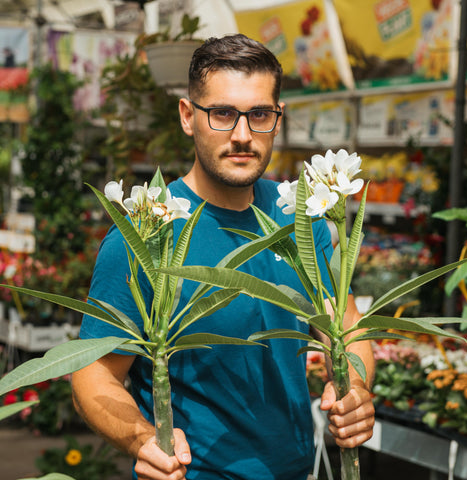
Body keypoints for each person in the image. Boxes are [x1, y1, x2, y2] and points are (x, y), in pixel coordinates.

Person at [72, 33, 375, 480]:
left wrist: (356, 389)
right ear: (188, 116)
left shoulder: (300, 216)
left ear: (278, 117)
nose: (242, 135)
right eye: (222, 114)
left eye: (259, 114)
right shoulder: (147, 231)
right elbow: (92, 376)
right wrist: (142, 440)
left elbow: (345, 327)